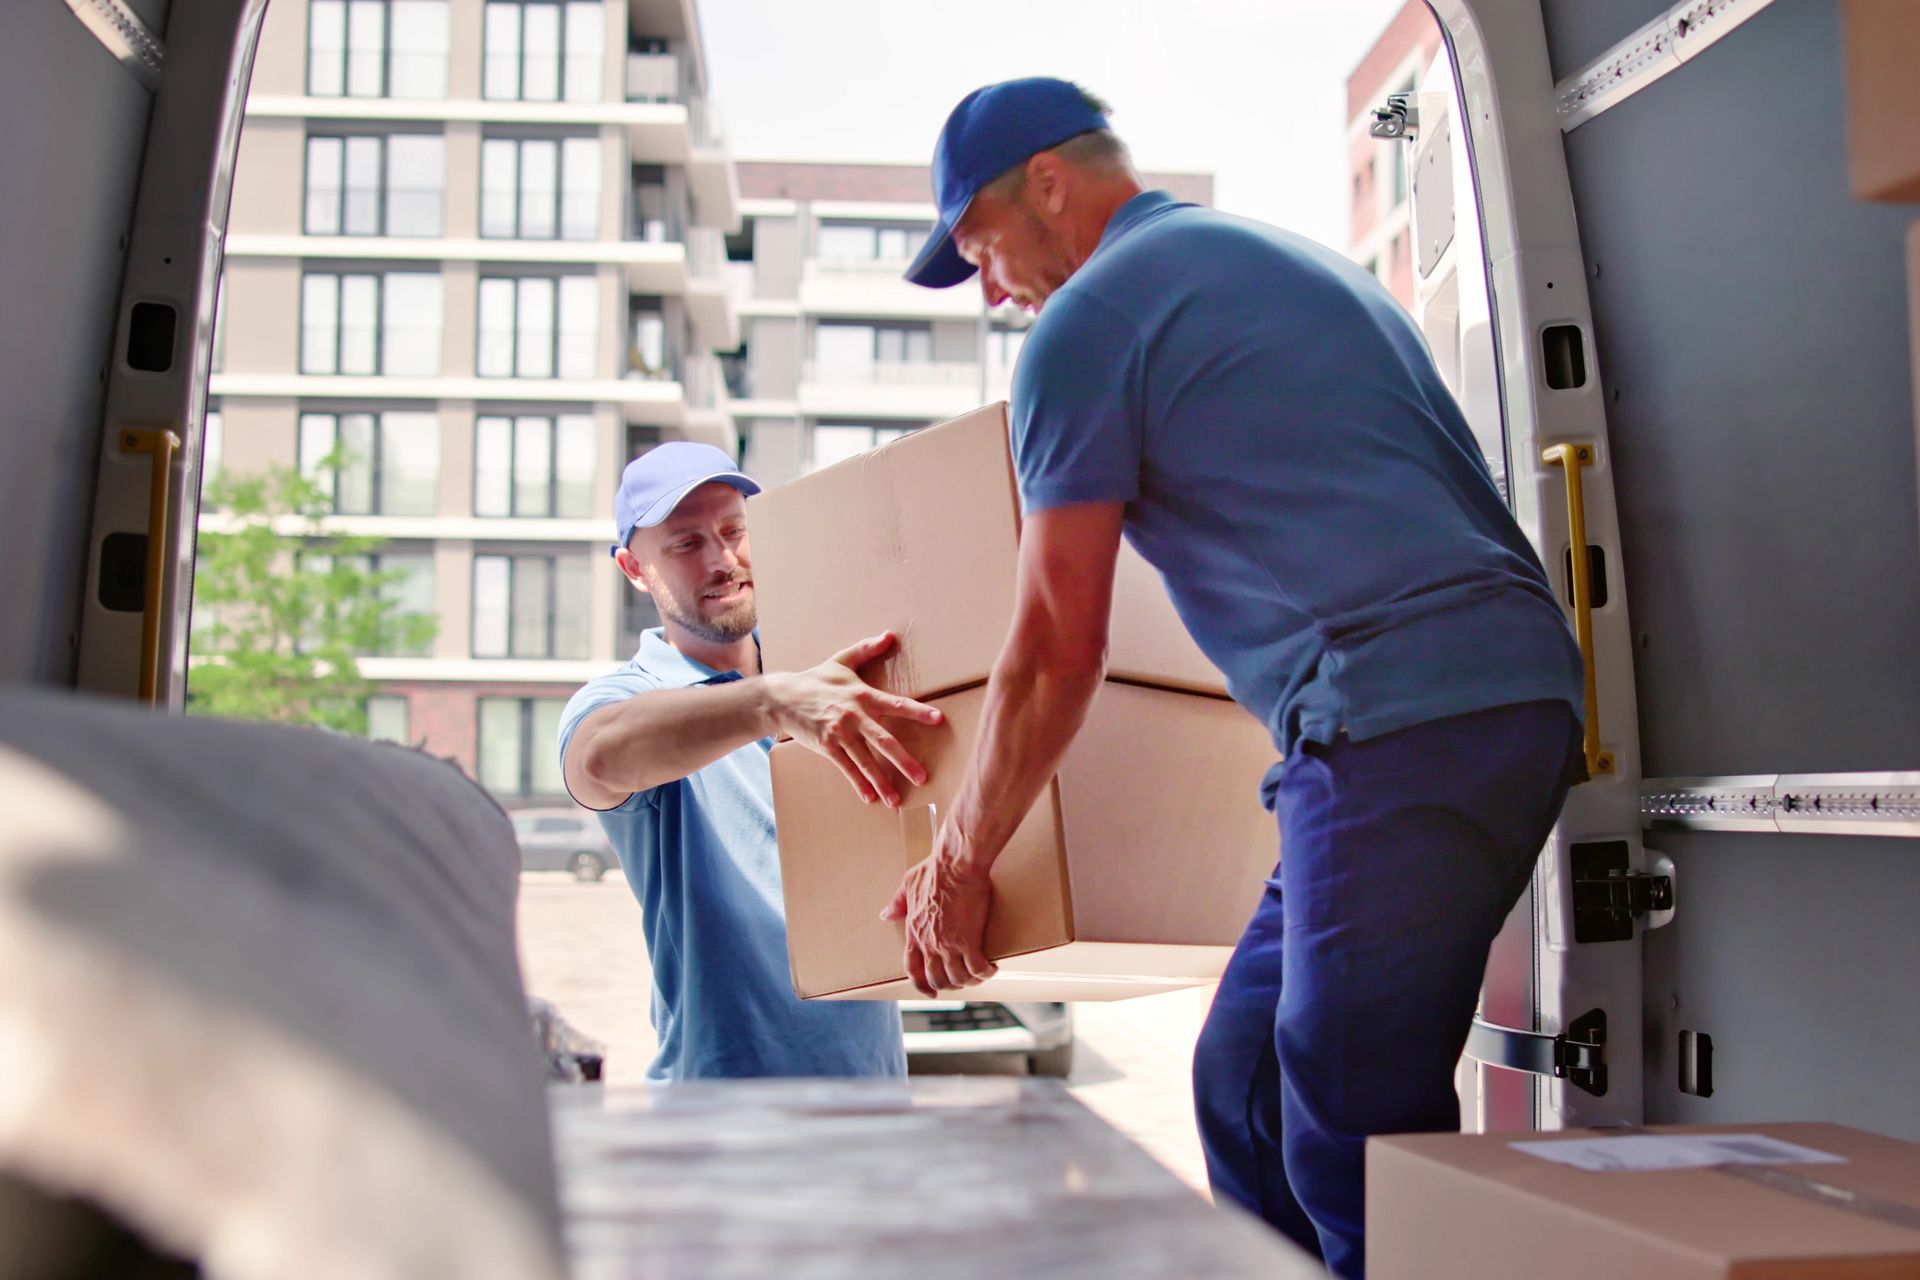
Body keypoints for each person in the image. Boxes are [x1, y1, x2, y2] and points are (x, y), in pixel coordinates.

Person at [881, 78, 1587, 1277]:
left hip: (1397, 716)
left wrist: (958, 862)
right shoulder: (1278, 262)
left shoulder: (1087, 324)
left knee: (1349, 1124)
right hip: (1474, 704)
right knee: (1246, 1074)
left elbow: (1056, 648)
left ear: (1047, 184)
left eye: (979, 248)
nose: (994, 292)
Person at [562, 442, 944, 1081]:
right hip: (721, 1120)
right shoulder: (627, 697)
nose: (723, 559)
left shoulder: (833, 678)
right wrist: (772, 704)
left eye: (735, 531)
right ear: (634, 567)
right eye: (685, 544)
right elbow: (598, 760)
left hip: (873, 1104)